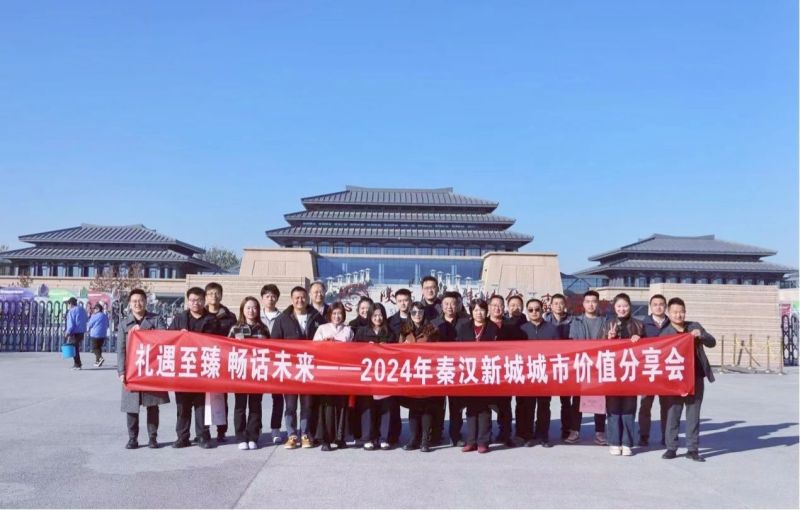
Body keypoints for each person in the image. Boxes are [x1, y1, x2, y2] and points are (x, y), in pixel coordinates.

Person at [661, 297, 716, 462]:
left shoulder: (694, 326)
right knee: (673, 413)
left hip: (695, 377)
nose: (678, 315)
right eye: (675, 312)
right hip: (675, 379)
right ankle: (671, 447)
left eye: (681, 312)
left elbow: (712, 342)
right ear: (669, 313)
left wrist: (702, 335)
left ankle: (692, 449)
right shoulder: (665, 333)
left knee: (693, 414)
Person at [117, 289, 170, 449]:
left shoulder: (156, 319)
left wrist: (144, 333)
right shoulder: (124, 324)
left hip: (151, 370)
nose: (137, 304)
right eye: (134, 301)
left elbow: (164, 339)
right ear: (129, 304)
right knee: (131, 407)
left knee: (152, 406)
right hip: (132, 370)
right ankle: (132, 438)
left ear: (146, 302)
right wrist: (121, 372)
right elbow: (121, 350)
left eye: (140, 300)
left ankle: (153, 438)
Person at [272, 286, 324, 449]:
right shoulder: (282, 319)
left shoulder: (317, 317)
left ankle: (305, 434)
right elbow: (274, 343)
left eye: (303, 297)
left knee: (307, 405)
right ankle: (292, 435)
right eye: (297, 298)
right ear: (291, 299)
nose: (300, 300)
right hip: (290, 369)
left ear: (307, 298)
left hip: (309, 368)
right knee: (290, 405)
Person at [169, 287, 218, 448]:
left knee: (201, 405)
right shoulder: (179, 319)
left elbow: (218, 340)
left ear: (204, 301)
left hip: (203, 368)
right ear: (187, 301)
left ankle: (203, 436)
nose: (195, 303)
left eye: (198, 300)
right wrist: (178, 335)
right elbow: (168, 338)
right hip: (183, 368)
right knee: (182, 405)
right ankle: (182, 437)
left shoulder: (212, 320)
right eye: (192, 300)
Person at [600, 293, 643, 456]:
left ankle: (627, 443)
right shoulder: (607, 324)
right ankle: (614, 442)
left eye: (625, 306)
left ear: (630, 307)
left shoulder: (639, 325)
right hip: (612, 371)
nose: (622, 309)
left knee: (629, 408)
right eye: (619, 306)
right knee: (612, 408)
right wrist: (608, 338)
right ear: (614, 307)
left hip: (631, 372)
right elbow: (599, 347)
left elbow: (649, 348)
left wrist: (640, 339)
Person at [398, 301, 442, 453]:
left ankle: (425, 440)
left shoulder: (432, 330)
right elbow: (398, 352)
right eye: (414, 312)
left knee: (426, 408)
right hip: (411, 374)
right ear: (410, 314)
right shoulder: (404, 330)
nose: (417, 315)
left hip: (427, 373)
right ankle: (413, 439)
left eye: (420, 312)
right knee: (414, 408)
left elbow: (438, 351)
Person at [456, 299, 498, 453]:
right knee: (471, 407)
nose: (478, 313)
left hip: (487, 370)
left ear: (486, 312)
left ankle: (483, 441)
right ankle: (471, 441)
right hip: (469, 371)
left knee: (484, 408)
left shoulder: (493, 328)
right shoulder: (464, 327)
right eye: (475, 310)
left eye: (481, 310)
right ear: (471, 312)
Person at [567, 290, 609, 445]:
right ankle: (574, 431)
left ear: (598, 303)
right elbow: (573, 342)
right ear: (583, 304)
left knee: (600, 400)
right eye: (588, 301)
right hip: (581, 365)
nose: (591, 304)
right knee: (577, 400)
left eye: (594, 301)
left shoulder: (605, 321)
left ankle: (600, 432)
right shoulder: (576, 321)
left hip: (599, 366)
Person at [229, 296, 270, 451]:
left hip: (257, 372)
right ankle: (240, 437)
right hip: (240, 372)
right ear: (242, 310)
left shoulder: (263, 329)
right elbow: (226, 349)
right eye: (248, 308)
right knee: (240, 406)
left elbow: (270, 350)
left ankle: (253, 436)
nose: (251, 311)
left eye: (254, 308)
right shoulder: (235, 328)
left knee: (255, 405)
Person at [354, 303, 397, 450]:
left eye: (380, 315)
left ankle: (383, 437)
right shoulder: (362, 332)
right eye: (375, 315)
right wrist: (367, 347)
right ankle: (368, 437)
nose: (378, 318)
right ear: (370, 316)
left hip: (386, 376)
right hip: (368, 376)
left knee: (386, 407)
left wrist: (388, 348)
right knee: (367, 407)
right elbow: (354, 352)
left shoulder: (390, 332)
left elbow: (398, 352)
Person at [517, 298, 559, 448]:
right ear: (527, 312)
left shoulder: (552, 329)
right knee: (528, 406)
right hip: (527, 374)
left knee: (544, 406)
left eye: (537, 309)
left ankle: (543, 435)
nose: (534, 312)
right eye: (530, 310)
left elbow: (559, 352)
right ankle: (527, 435)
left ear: (542, 310)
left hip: (545, 374)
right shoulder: (521, 329)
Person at [312, 302, 353, 451]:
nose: (337, 316)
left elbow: (353, 350)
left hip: (342, 373)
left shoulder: (348, 330)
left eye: (339, 313)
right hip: (326, 373)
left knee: (342, 405)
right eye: (334, 313)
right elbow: (313, 348)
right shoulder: (322, 328)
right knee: (327, 406)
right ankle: (326, 439)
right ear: (329, 315)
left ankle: (340, 437)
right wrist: (324, 343)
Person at [204, 282, 237, 443]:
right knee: (202, 398)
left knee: (221, 397)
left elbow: (235, 337)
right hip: (204, 360)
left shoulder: (230, 317)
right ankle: (203, 431)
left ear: (221, 295)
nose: (214, 296)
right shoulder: (200, 314)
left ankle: (221, 430)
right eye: (210, 293)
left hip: (223, 360)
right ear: (206, 296)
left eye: (217, 293)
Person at [432, 291, 464, 446]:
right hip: (439, 368)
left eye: (453, 303)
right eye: (446, 304)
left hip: (459, 369)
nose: (449, 307)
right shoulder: (433, 323)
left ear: (457, 305)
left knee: (456, 405)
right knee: (437, 404)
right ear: (441, 306)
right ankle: (436, 434)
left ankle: (455, 435)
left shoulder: (465, 322)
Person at [639, 293, 670, 446]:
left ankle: (667, 436)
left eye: (661, 304)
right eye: (655, 304)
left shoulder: (672, 324)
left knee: (667, 406)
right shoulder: (642, 325)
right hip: (648, 371)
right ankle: (643, 436)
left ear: (666, 307)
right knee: (645, 405)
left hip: (666, 372)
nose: (658, 307)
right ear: (650, 307)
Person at [544, 293, 575, 441]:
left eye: (561, 303)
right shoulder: (544, 321)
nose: (558, 306)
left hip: (566, 365)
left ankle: (566, 429)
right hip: (548, 366)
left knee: (566, 401)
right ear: (550, 305)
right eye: (555, 303)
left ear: (565, 305)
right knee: (545, 400)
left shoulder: (573, 321)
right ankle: (543, 430)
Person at [488, 295, 517, 447]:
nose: (497, 308)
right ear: (489, 307)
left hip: (505, 371)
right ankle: (485, 435)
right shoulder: (482, 325)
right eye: (494, 305)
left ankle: (505, 434)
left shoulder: (510, 326)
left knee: (505, 406)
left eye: (500, 305)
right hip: (486, 371)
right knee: (485, 405)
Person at [260, 283, 284, 445]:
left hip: (276, 363)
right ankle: (257, 428)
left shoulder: (283, 317)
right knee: (256, 398)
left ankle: (275, 428)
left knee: (278, 398)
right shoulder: (255, 315)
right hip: (258, 363)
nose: (270, 299)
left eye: (273, 296)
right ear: (262, 298)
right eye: (267, 296)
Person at [64, 297, 88, 370]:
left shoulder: (71, 311)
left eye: (68, 304)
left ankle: (77, 364)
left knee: (74, 348)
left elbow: (71, 324)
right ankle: (77, 364)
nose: (68, 305)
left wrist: (67, 332)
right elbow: (86, 319)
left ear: (71, 304)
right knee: (76, 347)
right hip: (81, 331)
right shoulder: (82, 309)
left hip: (74, 332)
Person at [87, 303, 109, 367]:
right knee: (99, 348)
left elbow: (90, 324)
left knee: (94, 348)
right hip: (103, 334)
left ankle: (100, 358)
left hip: (95, 334)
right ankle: (98, 362)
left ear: (98, 309)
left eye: (95, 309)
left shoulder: (95, 316)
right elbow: (107, 324)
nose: (94, 310)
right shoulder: (105, 316)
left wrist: (87, 328)